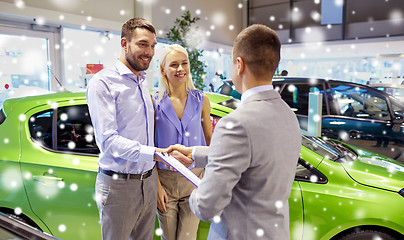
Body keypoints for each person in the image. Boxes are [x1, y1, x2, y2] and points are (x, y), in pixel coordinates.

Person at [169, 24, 301, 239]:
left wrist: (191, 196)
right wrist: (194, 154)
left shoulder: (235, 123)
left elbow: (206, 206)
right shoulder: (288, 114)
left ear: (239, 64)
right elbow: (256, 155)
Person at [86, 17, 163, 240]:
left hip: (147, 182)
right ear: (124, 43)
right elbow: (108, 141)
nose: (149, 51)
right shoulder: (103, 83)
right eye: (142, 44)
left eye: (152, 46)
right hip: (119, 186)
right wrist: (155, 153)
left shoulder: (142, 81)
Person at [153, 44, 212, 240]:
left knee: (187, 237)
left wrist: (208, 181)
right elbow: (150, 147)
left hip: (194, 180)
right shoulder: (153, 102)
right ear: (163, 69)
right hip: (165, 181)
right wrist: (157, 186)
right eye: (174, 65)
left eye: (184, 63)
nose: (180, 69)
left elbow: (211, 144)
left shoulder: (202, 100)